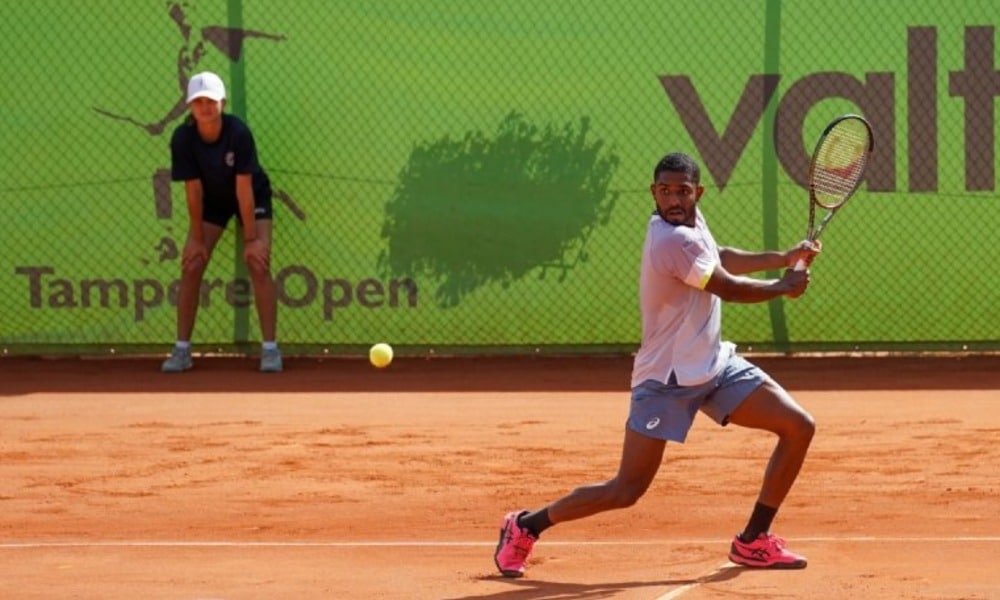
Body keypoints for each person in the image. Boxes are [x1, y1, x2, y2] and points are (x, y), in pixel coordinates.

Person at [494, 152, 821, 577]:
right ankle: (525, 526)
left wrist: (781, 257)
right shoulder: (669, 240)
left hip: (713, 366)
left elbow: (720, 255)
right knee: (626, 489)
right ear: (653, 192)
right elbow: (725, 285)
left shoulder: (692, 223)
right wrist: (782, 287)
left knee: (798, 427)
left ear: (697, 193)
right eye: (664, 191)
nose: (673, 199)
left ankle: (754, 540)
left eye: (682, 191)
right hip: (665, 380)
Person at [160, 71, 282, 373]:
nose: (205, 107)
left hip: (251, 196)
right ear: (190, 107)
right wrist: (197, 237)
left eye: (210, 101)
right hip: (212, 202)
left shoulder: (238, 133)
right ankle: (182, 350)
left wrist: (252, 239)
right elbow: (193, 191)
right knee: (191, 264)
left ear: (222, 103)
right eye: (198, 101)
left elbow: (244, 189)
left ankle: (270, 350)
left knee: (258, 263)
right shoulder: (183, 138)